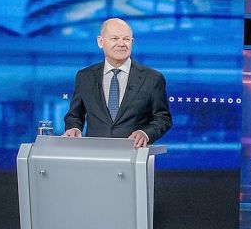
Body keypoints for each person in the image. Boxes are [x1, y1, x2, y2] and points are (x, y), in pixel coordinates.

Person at [63, 17, 172, 148]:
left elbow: (162, 118)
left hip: (134, 154)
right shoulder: (85, 77)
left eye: (126, 39)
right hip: (94, 154)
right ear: (100, 41)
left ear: (132, 42)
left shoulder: (152, 78)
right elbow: (74, 115)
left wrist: (145, 133)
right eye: (114, 38)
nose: (121, 44)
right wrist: (74, 128)